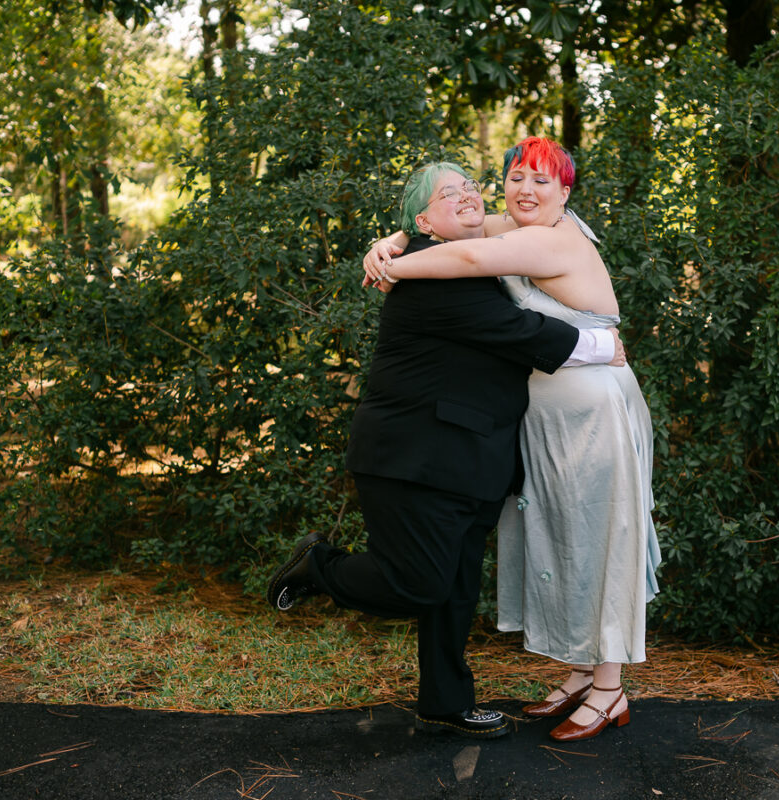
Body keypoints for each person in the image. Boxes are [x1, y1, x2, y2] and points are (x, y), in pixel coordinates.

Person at [265, 161, 625, 740]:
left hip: (473, 459)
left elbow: (494, 250)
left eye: (469, 187)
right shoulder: (435, 278)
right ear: (425, 221)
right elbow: (519, 334)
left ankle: (445, 703)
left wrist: (392, 241)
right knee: (421, 584)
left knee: (455, 591)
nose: (465, 196)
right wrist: (602, 345)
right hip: (414, 459)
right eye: (447, 194)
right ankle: (320, 567)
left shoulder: (472, 255)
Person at [363, 137, 660, 742]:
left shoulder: (552, 239)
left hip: (593, 412)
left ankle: (610, 689)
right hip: (547, 419)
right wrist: (388, 241)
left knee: (601, 540)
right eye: (516, 177)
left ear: (565, 193)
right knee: (564, 541)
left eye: (541, 181)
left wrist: (393, 268)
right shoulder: (518, 224)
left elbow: (469, 256)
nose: (525, 190)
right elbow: (447, 230)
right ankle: (581, 674)